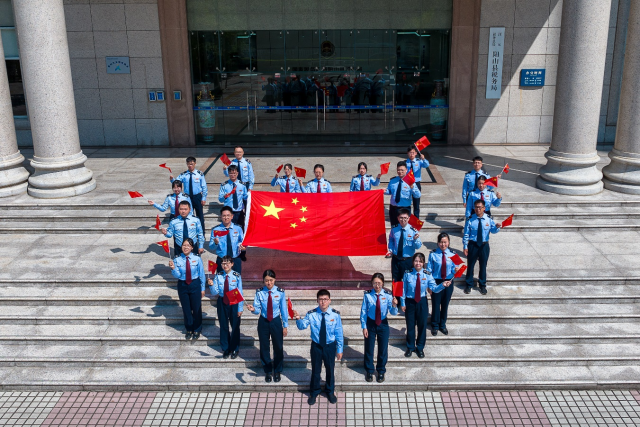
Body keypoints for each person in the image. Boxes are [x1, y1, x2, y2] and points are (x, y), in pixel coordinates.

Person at [294, 289, 343, 405]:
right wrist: (298, 319)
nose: (323, 302)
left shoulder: (335, 315)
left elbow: (339, 332)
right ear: (317, 300)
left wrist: (339, 349)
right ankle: (314, 392)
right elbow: (302, 326)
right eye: (321, 299)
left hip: (330, 346)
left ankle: (330, 391)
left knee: (330, 370)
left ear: (329, 300)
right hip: (316, 346)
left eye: (325, 299)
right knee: (316, 370)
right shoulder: (311, 314)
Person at [395, 253, 445, 358]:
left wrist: (442, 285)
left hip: (422, 301)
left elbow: (434, 288)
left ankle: (420, 347)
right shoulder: (407, 273)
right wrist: (402, 303)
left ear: (423, 263)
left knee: (422, 326)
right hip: (410, 302)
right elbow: (403, 290)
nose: (418, 263)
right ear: (413, 262)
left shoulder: (427, 274)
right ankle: (410, 347)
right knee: (410, 325)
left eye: (420, 261)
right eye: (416, 261)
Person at [245, 270, 288, 383]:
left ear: (275, 280)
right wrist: (253, 309)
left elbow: (284, 310)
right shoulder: (259, 292)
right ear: (263, 281)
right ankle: (268, 371)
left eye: (271, 280)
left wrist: (285, 325)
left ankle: (277, 370)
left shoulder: (280, 292)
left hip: (276, 321)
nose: (269, 283)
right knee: (264, 347)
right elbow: (257, 309)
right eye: (266, 280)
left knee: (278, 347)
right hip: (263, 321)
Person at [169, 238, 211, 340]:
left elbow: (201, 274)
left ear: (192, 248)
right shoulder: (177, 259)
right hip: (183, 285)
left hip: (195, 284)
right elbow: (177, 275)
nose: (186, 247)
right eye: (184, 245)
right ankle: (189, 329)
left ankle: (197, 329)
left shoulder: (197, 258)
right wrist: (173, 268)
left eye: (188, 245)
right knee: (186, 308)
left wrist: (202, 288)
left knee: (196, 308)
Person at [360, 273, 397, 383]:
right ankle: (369, 370)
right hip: (370, 323)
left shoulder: (388, 295)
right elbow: (363, 312)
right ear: (372, 283)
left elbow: (393, 312)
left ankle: (381, 370)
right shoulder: (367, 295)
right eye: (375, 283)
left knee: (383, 348)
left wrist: (394, 305)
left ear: (383, 283)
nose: (377, 285)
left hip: (383, 323)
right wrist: (364, 327)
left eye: (379, 283)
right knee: (369, 348)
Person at [463, 199, 501, 295]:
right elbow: (466, 234)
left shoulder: (488, 219)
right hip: (473, 245)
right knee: (470, 265)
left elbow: (493, 230)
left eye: (480, 207)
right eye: (476, 207)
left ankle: (482, 285)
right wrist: (465, 246)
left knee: (483, 266)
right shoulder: (470, 219)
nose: (478, 209)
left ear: (484, 208)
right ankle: (469, 284)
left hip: (484, 245)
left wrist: (497, 227)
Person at [210, 255, 244, 359]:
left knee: (235, 326)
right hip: (222, 301)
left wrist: (240, 308)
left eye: (227, 263)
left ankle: (235, 348)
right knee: (224, 326)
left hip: (234, 301)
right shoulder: (219, 276)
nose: (225, 265)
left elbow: (240, 292)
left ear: (232, 264)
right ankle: (226, 348)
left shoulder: (236, 276)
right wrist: (211, 285)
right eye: (223, 263)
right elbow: (214, 292)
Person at [426, 233, 459, 336]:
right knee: (436, 304)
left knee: (445, 304)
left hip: (448, 282)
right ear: (438, 243)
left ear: (448, 242)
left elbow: (456, 269)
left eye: (445, 242)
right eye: (441, 242)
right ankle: (435, 325)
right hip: (436, 282)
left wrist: (456, 270)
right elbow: (429, 271)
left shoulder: (453, 254)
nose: (443, 244)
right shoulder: (433, 254)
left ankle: (442, 325)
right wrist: (429, 285)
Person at [171, 156, 208, 230]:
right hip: (187, 197)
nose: (190, 166)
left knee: (200, 215)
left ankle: (201, 232)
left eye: (191, 164)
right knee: (188, 215)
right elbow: (177, 182)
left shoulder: (199, 174)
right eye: (188, 164)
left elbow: (204, 187)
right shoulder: (184, 174)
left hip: (197, 197)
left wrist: (204, 198)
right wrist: (172, 180)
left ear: (195, 164)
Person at [388, 208, 422, 283]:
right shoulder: (394, 229)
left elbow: (418, 246)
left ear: (408, 218)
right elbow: (391, 239)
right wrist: (390, 249)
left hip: (407, 261)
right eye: (401, 218)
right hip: (396, 259)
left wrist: (415, 239)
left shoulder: (413, 230)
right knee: (395, 281)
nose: (403, 220)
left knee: (408, 282)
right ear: (398, 218)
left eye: (405, 218)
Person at [209, 206, 245, 274]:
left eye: (228, 215)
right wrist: (215, 243)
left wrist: (243, 247)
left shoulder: (238, 228)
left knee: (236, 278)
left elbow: (242, 241)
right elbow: (211, 247)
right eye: (224, 216)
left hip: (235, 259)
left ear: (232, 216)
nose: (226, 218)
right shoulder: (215, 230)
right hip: (222, 260)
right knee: (221, 279)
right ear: (221, 216)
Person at [384, 162, 421, 227]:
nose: (400, 172)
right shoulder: (393, 180)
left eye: (402, 170)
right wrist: (383, 191)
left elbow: (418, 195)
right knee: (394, 227)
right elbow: (390, 191)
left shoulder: (411, 181)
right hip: (393, 208)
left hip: (404, 209)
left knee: (404, 227)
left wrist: (412, 188)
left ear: (406, 170)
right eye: (398, 170)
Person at [406, 146, 430, 218]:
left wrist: (423, 159)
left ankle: (416, 219)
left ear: (416, 153)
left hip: (416, 183)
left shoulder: (419, 161)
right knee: (407, 202)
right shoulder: (405, 163)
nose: (411, 154)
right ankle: (407, 218)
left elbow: (426, 165)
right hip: (407, 184)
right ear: (407, 153)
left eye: (413, 153)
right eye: (410, 153)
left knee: (416, 203)